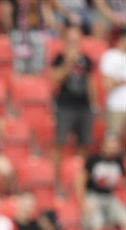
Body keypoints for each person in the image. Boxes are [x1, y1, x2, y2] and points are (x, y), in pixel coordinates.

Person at [50, 24, 96, 185]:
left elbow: (90, 82)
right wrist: (68, 63)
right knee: (60, 142)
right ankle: (56, 180)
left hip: (84, 106)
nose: (74, 43)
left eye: (77, 40)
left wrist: (94, 104)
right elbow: (56, 79)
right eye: (71, 40)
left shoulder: (87, 59)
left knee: (83, 143)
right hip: (65, 106)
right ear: (65, 41)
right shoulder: (59, 58)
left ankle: (79, 179)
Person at [77, 132, 126, 230]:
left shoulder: (118, 161)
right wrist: (83, 202)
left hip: (109, 196)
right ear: (103, 146)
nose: (112, 148)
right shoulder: (93, 160)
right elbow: (80, 181)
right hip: (94, 196)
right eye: (110, 145)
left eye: (115, 145)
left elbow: (122, 179)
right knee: (96, 222)